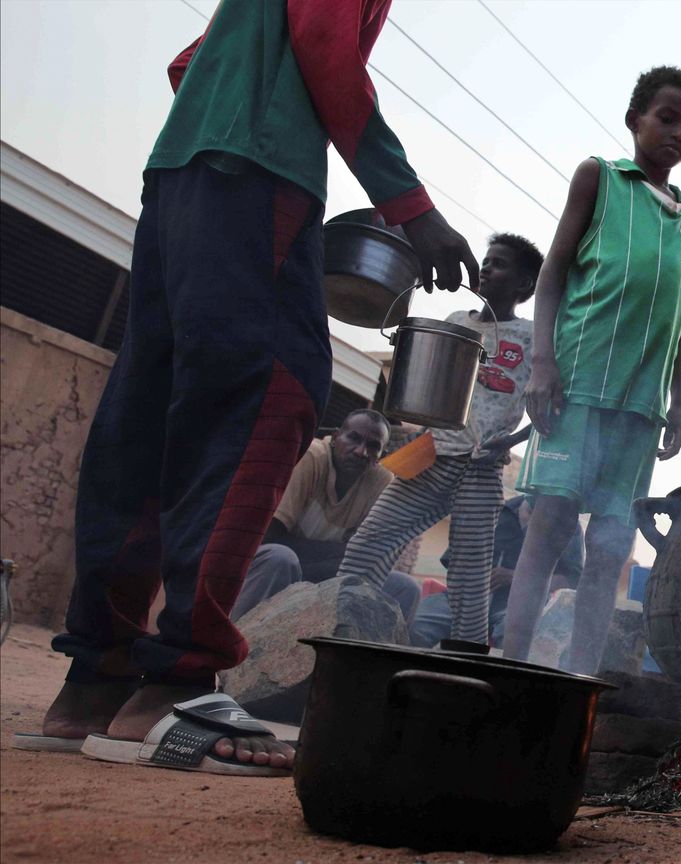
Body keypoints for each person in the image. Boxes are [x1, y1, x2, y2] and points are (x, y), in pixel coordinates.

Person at [26, 0, 479, 775]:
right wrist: (411, 208)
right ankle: (178, 683)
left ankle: (94, 682)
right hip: (259, 179)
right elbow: (324, 45)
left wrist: (241, 109)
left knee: (148, 414)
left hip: (181, 178)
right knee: (269, 400)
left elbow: (192, 62)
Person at [501, 66, 681, 676]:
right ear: (634, 120)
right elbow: (553, 273)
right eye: (667, 118)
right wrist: (542, 363)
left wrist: (679, 400)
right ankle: (510, 668)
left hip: (642, 405)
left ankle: (580, 680)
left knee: (612, 544)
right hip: (578, 383)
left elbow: (678, 313)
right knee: (550, 525)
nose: (678, 133)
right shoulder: (600, 178)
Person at [336, 234, 543, 646]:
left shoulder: (532, 336)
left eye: (499, 264)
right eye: (487, 261)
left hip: (482, 467)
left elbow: (548, 404)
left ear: (524, 284)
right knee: (370, 540)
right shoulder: (457, 321)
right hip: (431, 454)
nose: (487, 269)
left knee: (470, 575)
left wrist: (511, 441)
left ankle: (466, 653)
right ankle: (345, 625)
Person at [227, 409, 421, 623]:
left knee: (404, 587)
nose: (361, 451)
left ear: (382, 455)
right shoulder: (311, 456)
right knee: (281, 558)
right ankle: (235, 636)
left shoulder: (381, 480)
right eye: (354, 438)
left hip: (328, 575)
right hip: (272, 566)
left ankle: (355, 645)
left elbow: (371, 559)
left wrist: (343, 558)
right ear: (336, 437)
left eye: (373, 446)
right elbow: (269, 538)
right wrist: (342, 553)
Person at [410, 495, 583, 648]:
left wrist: (516, 577)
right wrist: (474, 575)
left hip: (520, 605)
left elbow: (571, 581)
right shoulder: (494, 509)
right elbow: (453, 560)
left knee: (516, 638)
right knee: (417, 626)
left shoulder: (568, 524)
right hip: (463, 596)